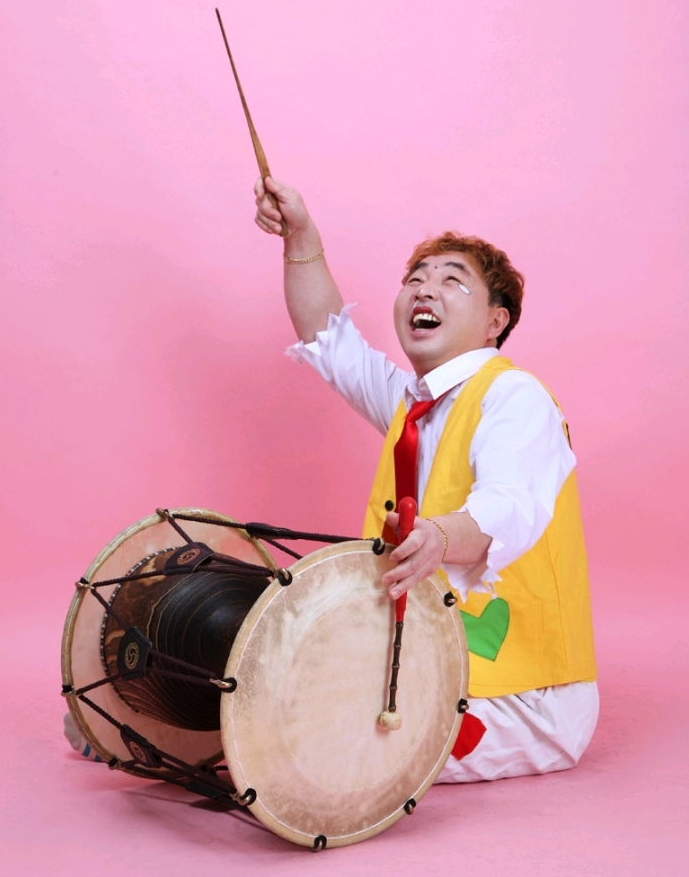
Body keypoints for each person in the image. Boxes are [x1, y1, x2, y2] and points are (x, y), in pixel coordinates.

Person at [254, 176, 598, 783]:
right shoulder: (413, 405)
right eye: (415, 278)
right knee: (279, 672)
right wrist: (300, 234)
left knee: (314, 727)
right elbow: (329, 340)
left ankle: (222, 743)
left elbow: (510, 505)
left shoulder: (514, 396)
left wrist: (439, 537)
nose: (425, 289)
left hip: (524, 697)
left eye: (452, 280)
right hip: (426, 663)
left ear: (495, 321)